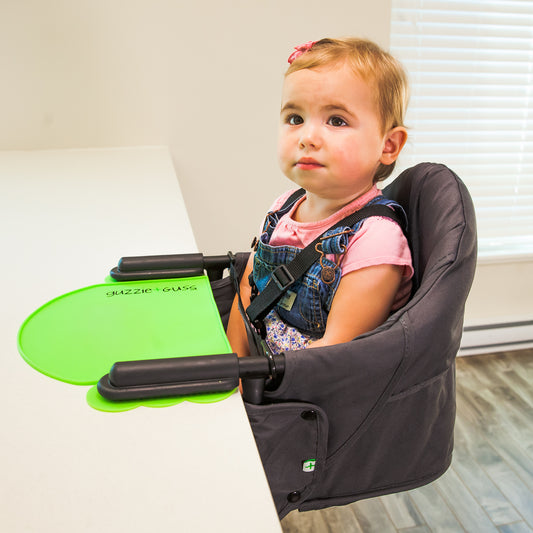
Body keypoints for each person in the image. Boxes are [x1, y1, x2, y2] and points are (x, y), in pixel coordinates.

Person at [226, 37, 413, 358]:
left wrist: (254, 392)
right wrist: (233, 369)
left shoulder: (376, 240)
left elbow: (335, 355)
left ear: (388, 145)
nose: (307, 138)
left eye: (336, 120)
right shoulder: (282, 209)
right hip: (257, 368)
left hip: (308, 395)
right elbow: (248, 294)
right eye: (295, 118)